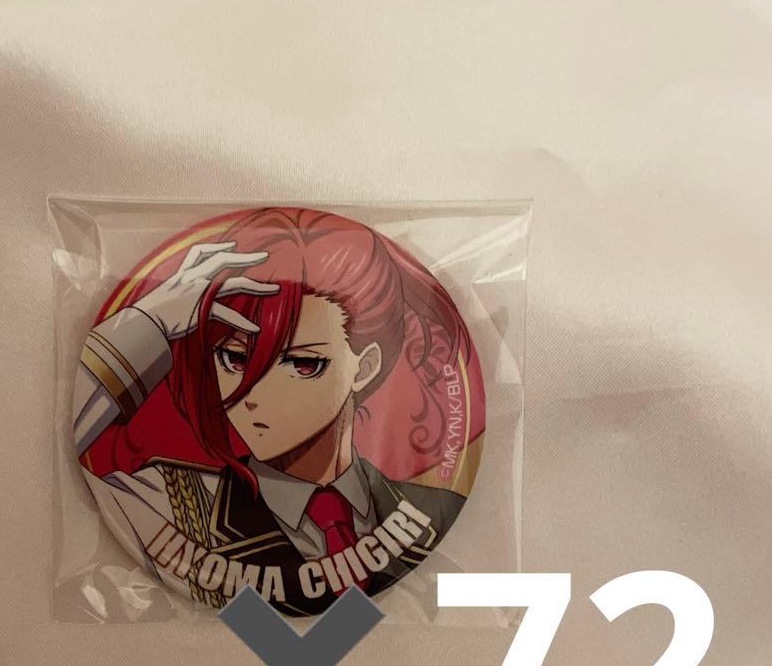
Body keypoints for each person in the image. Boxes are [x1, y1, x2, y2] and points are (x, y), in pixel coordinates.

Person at [74, 207, 476, 616]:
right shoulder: (169, 500)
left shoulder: (427, 508)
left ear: (365, 367)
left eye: (303, 364)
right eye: (234, 358)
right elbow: (79, 436)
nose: (254, 394)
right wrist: (150, 322)